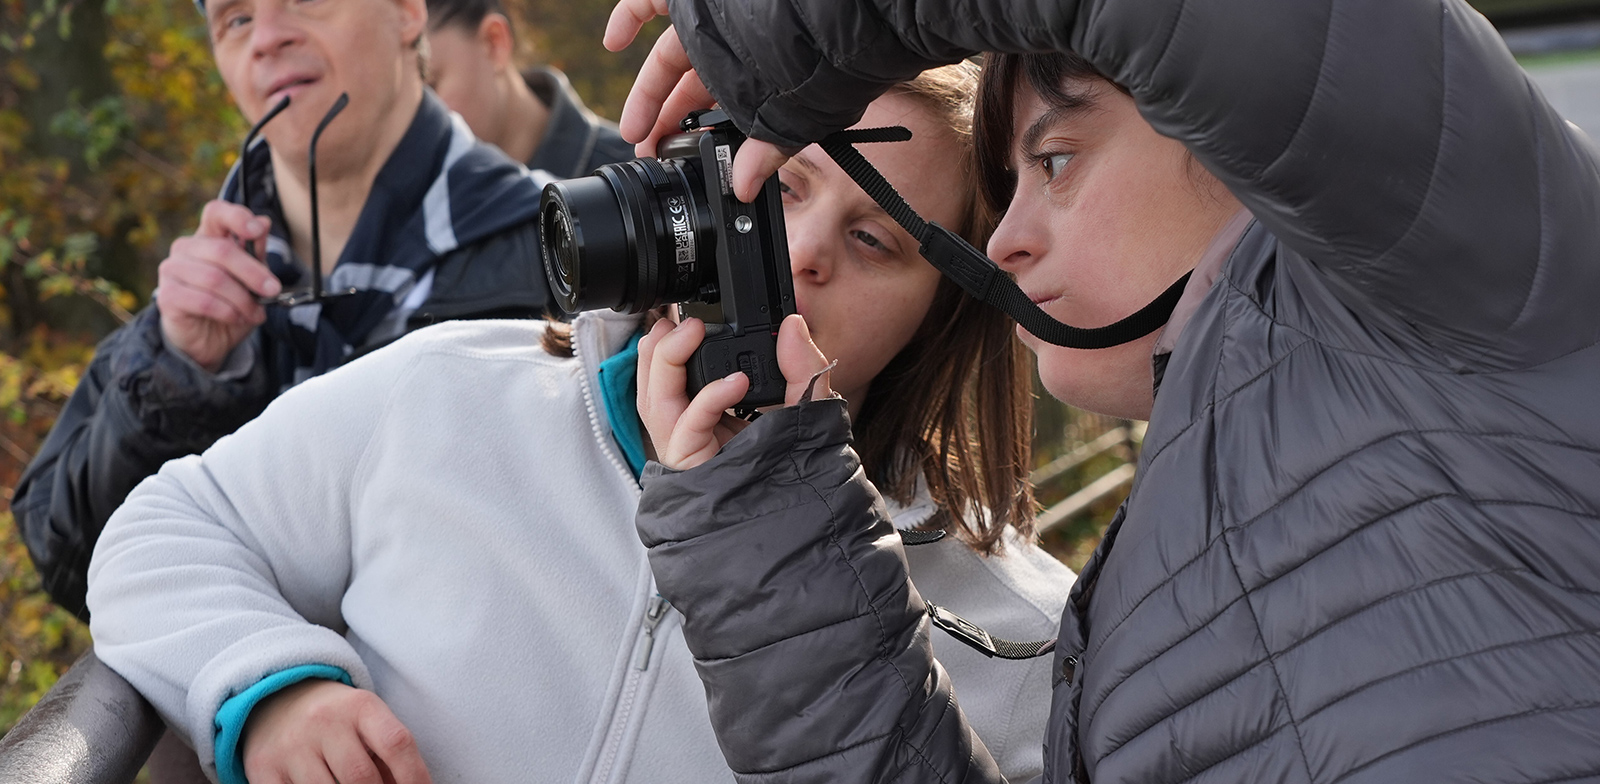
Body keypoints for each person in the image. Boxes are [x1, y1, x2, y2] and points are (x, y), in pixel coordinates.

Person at [613, 0, 1600, 782]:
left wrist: (794, 23)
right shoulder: (1134, 592)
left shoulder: (1490, 264)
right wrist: (770, 520)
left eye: (1054, 160)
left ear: (1226, 130)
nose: (1002, 240)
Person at [86, 66, 1077, 784]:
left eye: (876, 239)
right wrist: (272, 690)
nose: (804, 253)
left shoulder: (1024, 640)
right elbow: (166, 528)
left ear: (945, 309)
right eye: (778, 187)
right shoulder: (449, 392)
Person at [11, 0, 552, 622]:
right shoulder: (197, 302)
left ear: (406, 13)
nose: (265, 39)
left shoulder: (555, 255)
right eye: (235, 19)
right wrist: (182, 375)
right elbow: (70, 566)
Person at [424, 0, 632, 178]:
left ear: (494, 42)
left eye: (431, 87)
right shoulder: (425, 206)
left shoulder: (636, 176)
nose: (421, 115)